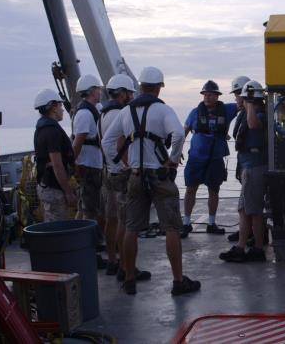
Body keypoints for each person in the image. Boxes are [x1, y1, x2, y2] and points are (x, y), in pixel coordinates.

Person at [102, 66, 201, 296]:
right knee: (172, 228)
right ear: (159, 88)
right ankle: (178, 281)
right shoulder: (163, 111)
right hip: (159, 176)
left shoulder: (126, 112)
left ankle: (128, 278)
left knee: (131, 228)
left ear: (140, 87)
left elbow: (107, 142)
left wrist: (123, 165)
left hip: (135, 177)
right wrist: (173, 162)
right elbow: (177, 135)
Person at [180, 80, 238, 238]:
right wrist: (177, 151)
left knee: (214, 190)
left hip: (215, 158)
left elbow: (242, 103)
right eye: (205, 94)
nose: (207, 97)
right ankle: (186, 223)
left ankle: (211, 223)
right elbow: (184, 131)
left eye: (211, 94)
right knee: (191, 189)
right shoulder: (194, 112)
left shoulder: (227, 110)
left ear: (217, 96)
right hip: (196, 158)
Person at [99, 74, 143, 280]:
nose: (132, 96)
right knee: (127, 223)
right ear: (123, 93)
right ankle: (127, 269)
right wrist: (127, 165)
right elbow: (117, 143)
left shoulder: (103, 113)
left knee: (112, 219)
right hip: (120, 174)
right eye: (130, 92)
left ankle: (113, 261)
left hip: (108, 172)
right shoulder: (121, 114)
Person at [220, 80, 268, 263]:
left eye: (238, 95)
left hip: (255, 166)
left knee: (254, 210)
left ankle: (257, 249)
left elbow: (253, 125)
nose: (236, 98)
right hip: (247, 165)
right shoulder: (248, 111)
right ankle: (241, 247)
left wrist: (249, 105)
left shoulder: (259, 114)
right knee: (243, 209)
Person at [71, 74, 107, 268]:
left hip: (95, 166)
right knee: (89, 210)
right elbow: (78, 142)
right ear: (93, 91)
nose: (100, 92)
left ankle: (95, 243)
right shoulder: (85, 114)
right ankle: (88, 251)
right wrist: (73, 166)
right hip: (88, 167)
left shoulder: (94, 110)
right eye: (98, 89)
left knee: (94, 208)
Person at [33, 89, 76, 222]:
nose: (62, 109)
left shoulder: (41, 128)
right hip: (53, 189)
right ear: (53, 107)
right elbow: (57, 164)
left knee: (52, 227)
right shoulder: (52, 131)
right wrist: (68, 192)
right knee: (58, 230)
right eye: (60, 105)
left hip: (46, 185)